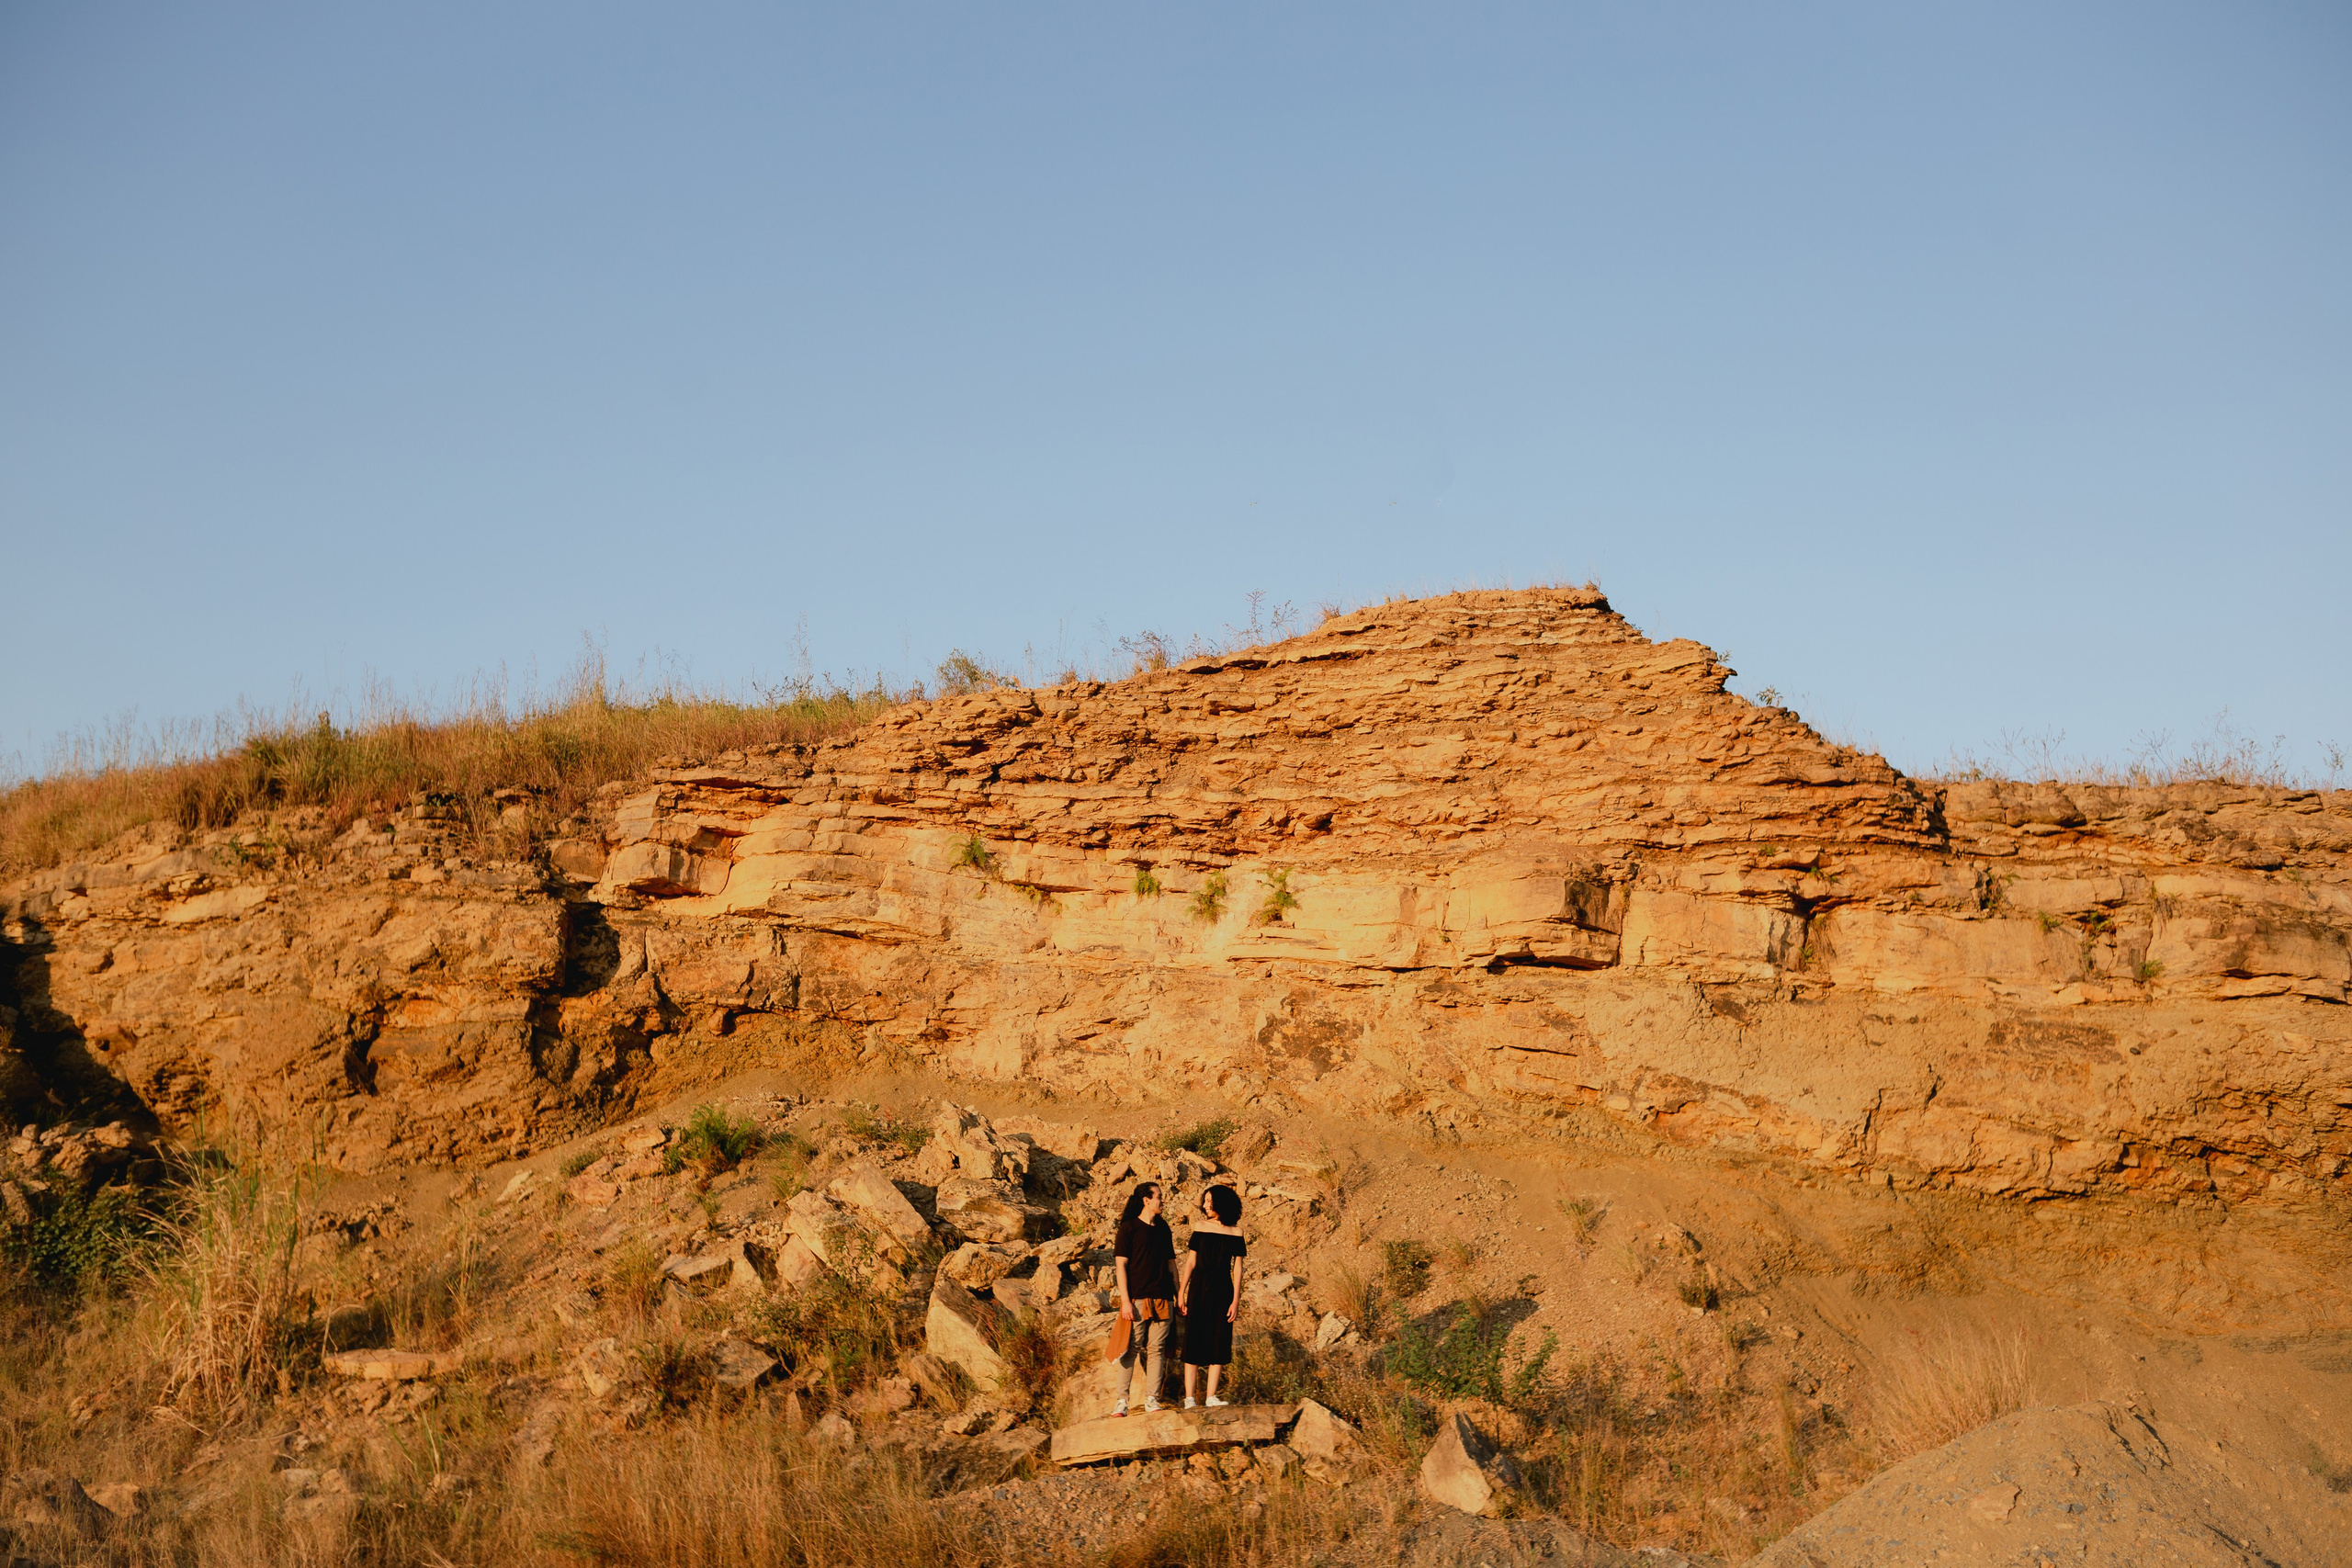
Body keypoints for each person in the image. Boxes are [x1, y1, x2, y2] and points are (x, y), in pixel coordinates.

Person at [1111, 1181, 1176, 1416]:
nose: (1163, 1201)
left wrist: (1179, 1297)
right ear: (1146, 1200)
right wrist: (1125, 1301)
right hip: (1137, 1299)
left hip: (1163, 1298)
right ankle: (1122, 1401)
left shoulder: (1164, 1228)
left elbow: (1171, 1265)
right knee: (1131, 1348)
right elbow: (1121, 1267)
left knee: (1157, 1348)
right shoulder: (1128, 1228)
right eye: (1159, 1196)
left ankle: (1152, 1399)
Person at [1179, 1184, 1247, 1409]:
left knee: (1220, 1338)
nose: (1205, 1205)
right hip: (1199, 1288)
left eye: (1210, 1201)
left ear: (1222, 1203)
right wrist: (1181, 1292)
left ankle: (1211, 1397)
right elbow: (1190, 1262)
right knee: (1194, 1338)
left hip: (1223, 1290)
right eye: (1204, 1201)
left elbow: (1237, 1268)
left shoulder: (1237, 1232)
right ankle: (1190, 1398)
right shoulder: (1200, 1227)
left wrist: (1236, 1300)